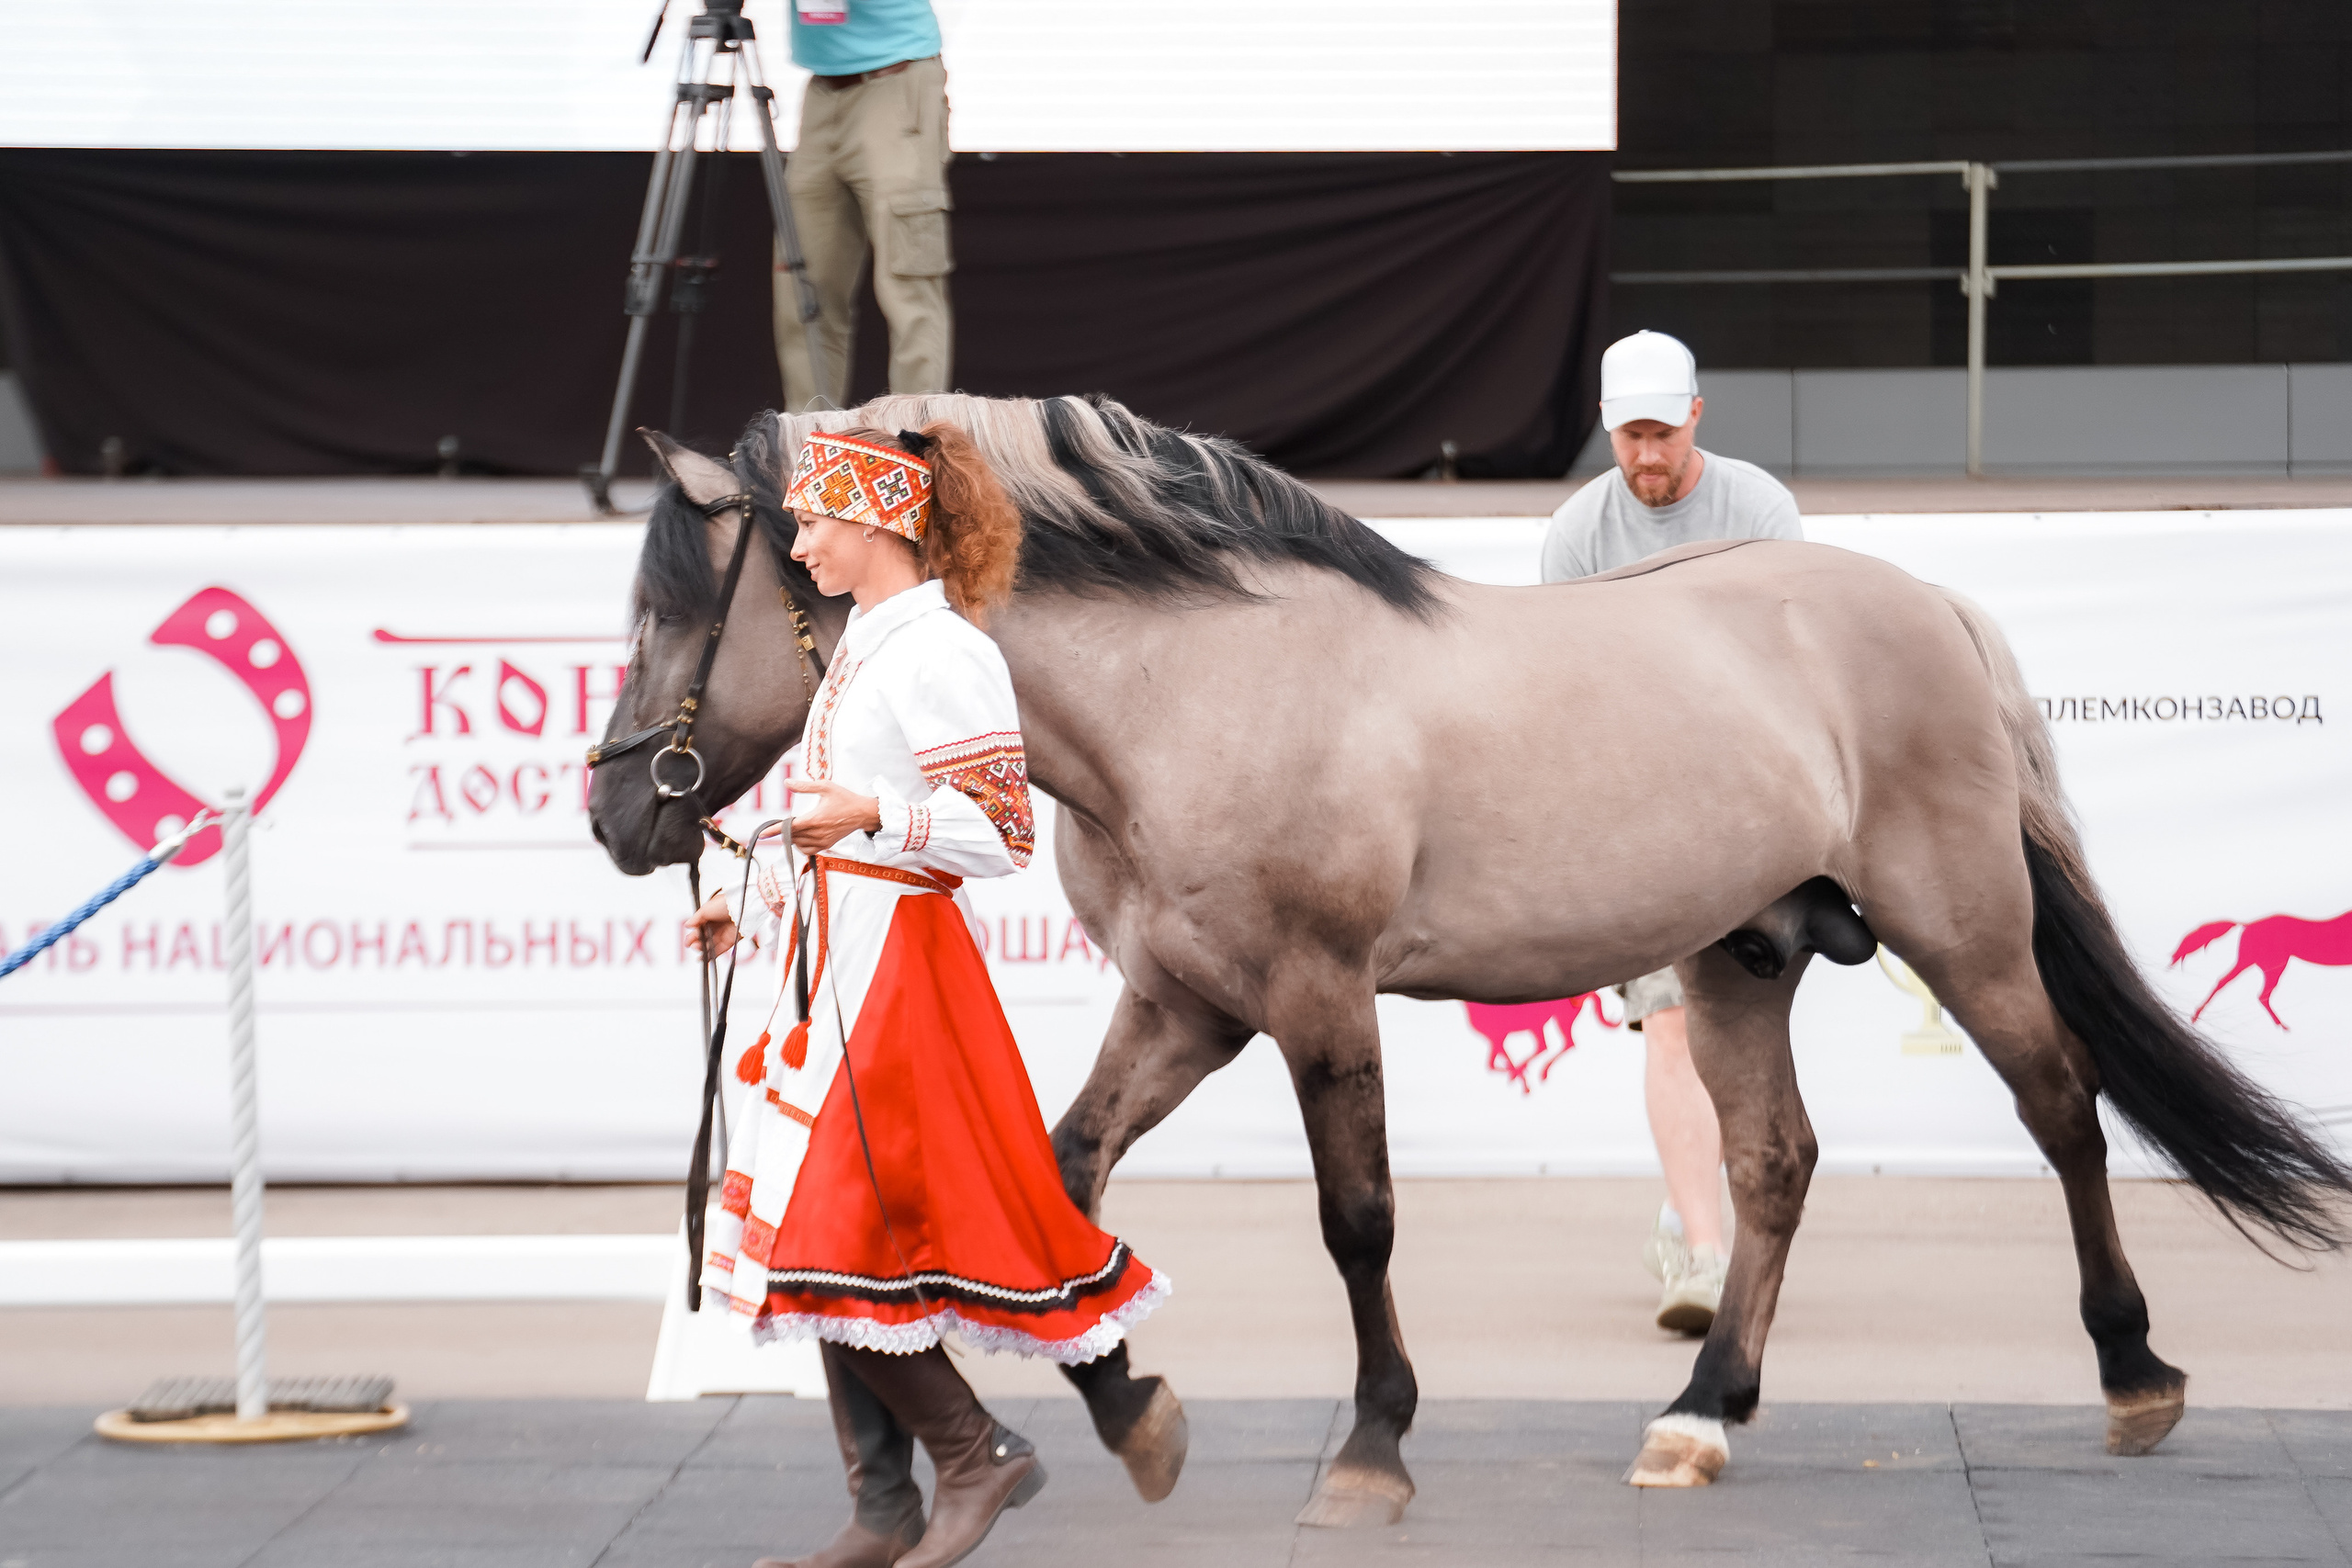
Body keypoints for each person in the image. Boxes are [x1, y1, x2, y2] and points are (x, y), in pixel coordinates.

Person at [687, 426, 1170, 1568]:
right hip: (833, 953)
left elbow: (1000, 835)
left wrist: (872, 820)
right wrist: (748, 906)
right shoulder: (864, 649)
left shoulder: (943, 652)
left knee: (821, 1239)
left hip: (896, 964)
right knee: (815, 1243)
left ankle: (972, 1458)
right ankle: (884, 1508)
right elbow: (826, 812)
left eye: (814, 522)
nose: (799, 542)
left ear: (877, 526)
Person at [1539, 330, 1804, 1337]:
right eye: (1626, 436)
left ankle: (1687, 1211)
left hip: (1752, 817)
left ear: (1696, 416)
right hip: (1639, 820)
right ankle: (1703, 1252)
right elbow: (1561, 695)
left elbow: (1795, 667)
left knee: (1743, 1039)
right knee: (1674, 1021)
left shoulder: (1760, 510)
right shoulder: (1577, 532)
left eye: (1660, 432)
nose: (1644, 456)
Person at [773, 0, 954, 413]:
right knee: (804, 283)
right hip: (822, 90)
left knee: (908, 282)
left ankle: (913, 446)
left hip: (897, 82)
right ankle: (812, 445)